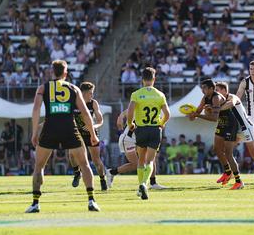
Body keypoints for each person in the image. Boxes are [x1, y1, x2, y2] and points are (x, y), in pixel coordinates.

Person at [26, 60, 101, 213]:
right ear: (66, 73)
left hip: (50, 129)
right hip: (70, 128)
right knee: (85, 164)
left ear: (52, 72)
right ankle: (91, 200)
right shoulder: (74, 88)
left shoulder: (43, 88)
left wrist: (34, 132)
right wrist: (92, 134)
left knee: (39, 166)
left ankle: (35, 203)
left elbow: (35, 109)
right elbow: (86, 113)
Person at [215, 82, 254, 188]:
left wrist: (216, 108)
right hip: (237, 131)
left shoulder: (233, 97)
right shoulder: (220, 101)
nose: (216, 93)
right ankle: (231, 174)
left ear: (224, 91)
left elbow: (231, 104)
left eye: (217, 90)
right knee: (225, 151)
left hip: (247, 129)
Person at [125, 67, 171, 200]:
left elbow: (130, 111)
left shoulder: (136, 94)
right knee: (151, 160)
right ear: (154, 79)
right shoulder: (159, 95)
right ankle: (144, 184)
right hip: (154, 129)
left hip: (141, 129)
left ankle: (141, 185)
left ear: (142, 80)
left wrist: (130, 124)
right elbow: (167, 114)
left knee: (141, 160)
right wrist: (161, 124)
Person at [190, 79, 243, 189]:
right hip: (221, 124)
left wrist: (197, 116)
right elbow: (198, 110)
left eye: (204, 88)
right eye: (202, 88)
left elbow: (214, 118)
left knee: (228, 153)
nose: (202, 90)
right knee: (217, 149)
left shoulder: (216, 97)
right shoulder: (205, 98)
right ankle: (228, 172)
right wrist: (192, 114)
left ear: (211, 89)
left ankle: (239, 181)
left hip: (230, 124)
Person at [105, 106, 166, 190]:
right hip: (128, 139)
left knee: (151, 158)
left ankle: (153, 183)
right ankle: (112, 172)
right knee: (136, 164)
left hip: (140, 138)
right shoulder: (141, 106)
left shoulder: (155, 110)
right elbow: (129, 110)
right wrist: (121, 116)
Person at [69, 82, 108, 191]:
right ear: (83, 93)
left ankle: (102, 179)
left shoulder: (93, 103)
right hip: (77, 133)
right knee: (71, 155)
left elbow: (100, 120)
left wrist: (94, 126)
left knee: (96, 160)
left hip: (91, 133)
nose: (92, 95)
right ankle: (77, 173)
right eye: (90, 93)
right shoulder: (74, 102)